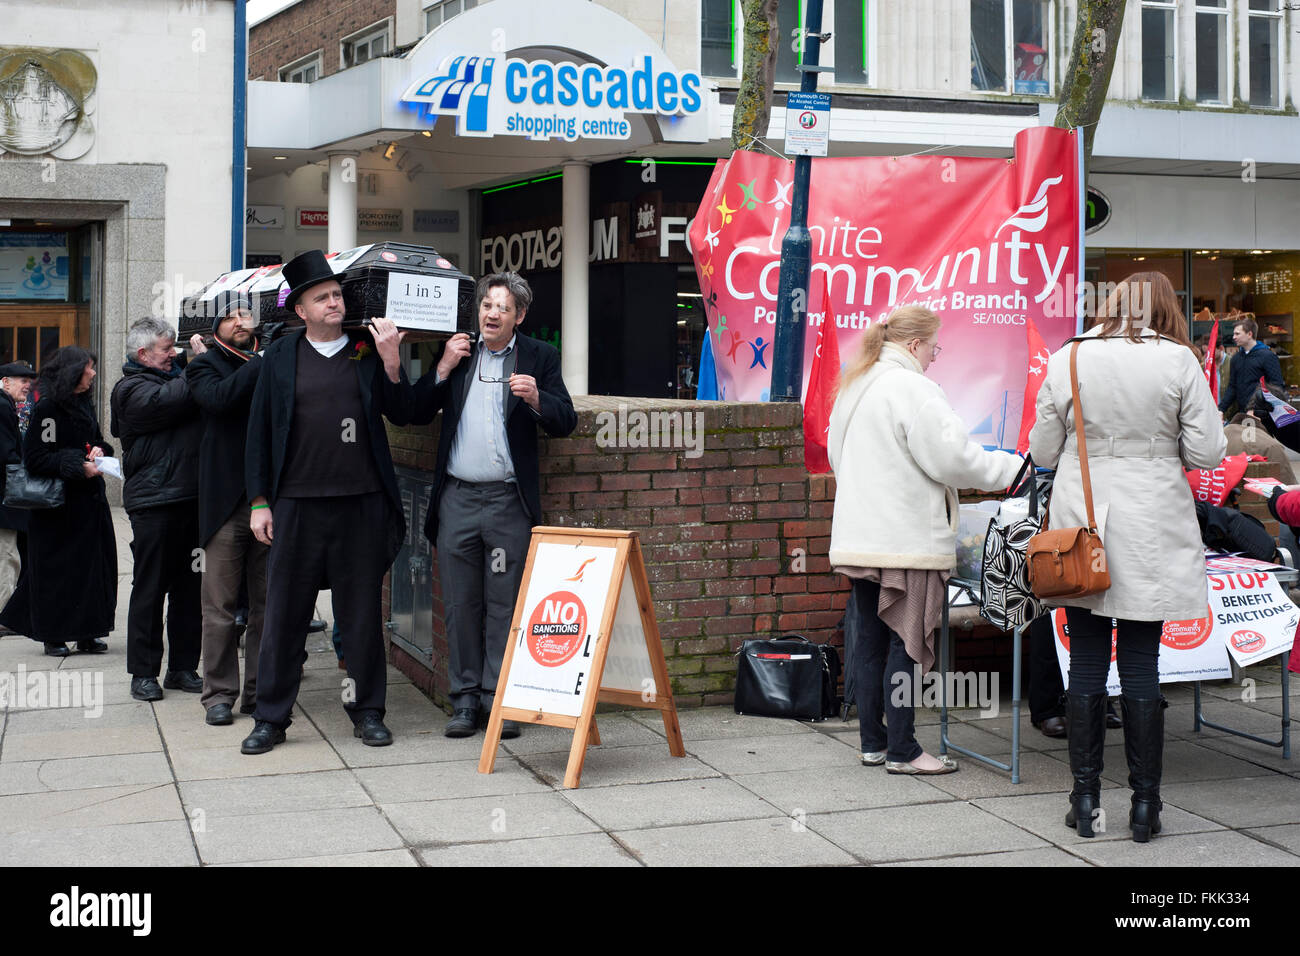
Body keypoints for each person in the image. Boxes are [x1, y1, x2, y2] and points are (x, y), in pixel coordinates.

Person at [1029, 272, 1226, 842]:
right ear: (1167, 309)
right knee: (1142, 664)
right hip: (1152, 517)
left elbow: (1043, 450)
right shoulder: (1179, 360)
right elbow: (1207, 450)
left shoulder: (1070, 357)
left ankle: (1085, 800)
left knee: (1088, 659)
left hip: (1082, 521)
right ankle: (1145, 807)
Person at [828, 305, 1021, 775]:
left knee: (871, 643)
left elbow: (837, 454)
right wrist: (1013, 468)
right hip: (906, 539)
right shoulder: (913, 389)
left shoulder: (854, 384)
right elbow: (953, 459)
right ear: (915, 344)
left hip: (860, 537)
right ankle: (904, 750)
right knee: (906, 642)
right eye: (935, 345)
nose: (937, 355)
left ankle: (874, 744)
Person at [241, 250, 414, 755]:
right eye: (323, 297)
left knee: (360, 615)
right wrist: (258, 501)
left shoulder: (366, 349)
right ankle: (271, 718)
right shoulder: (278, 357)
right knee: (284, 616)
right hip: (295, 505)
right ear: (301, 309)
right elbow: (257, 435)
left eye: (337, 294)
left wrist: (391, 363)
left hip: (360, 504)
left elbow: (405, 414)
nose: (334, 302)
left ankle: (368, 712)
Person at [412, 271, 576, 739]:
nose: (492, 314)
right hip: (458, 498)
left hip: (508, 501)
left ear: (518, 316)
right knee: (461, 604)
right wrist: (442, 367)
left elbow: (566, 421)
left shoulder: (539, 357)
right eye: (487, 305)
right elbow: (417, 410)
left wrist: (537, 397)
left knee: (505, 605)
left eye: (502, 308)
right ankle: (464, 702)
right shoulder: (458, 352)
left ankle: (498, 700)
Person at [110, 317, 204, 702]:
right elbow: (166, 404)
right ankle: (143, 673)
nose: (175, 354)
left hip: (192, 501)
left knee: (191, 589)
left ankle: (183, 668)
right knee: (150, 588)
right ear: (143, 353)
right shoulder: (130, 388)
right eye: (168, 349)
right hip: (154, 504)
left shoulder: (175, 379)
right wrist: (198, 365)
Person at [0, 348, 116, 656]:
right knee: (58, 574)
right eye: (89, 368)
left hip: (89, 506)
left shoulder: (84, 405)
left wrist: (99, 452)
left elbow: (97, 440)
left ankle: (89, 632)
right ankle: (54, 635)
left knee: (92, 571)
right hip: (58, 510)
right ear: (73, 371)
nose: (93, 373)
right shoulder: (49, 409)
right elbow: (38, 457)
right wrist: (79, 464)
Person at [186, 292, 267, 726]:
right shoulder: (204, 365)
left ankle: (259, 691)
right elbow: (217, 401)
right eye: (230, 316)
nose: (240, 321)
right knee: (218, 608)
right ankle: (218, 694)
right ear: (215, 326)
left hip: (269, 502)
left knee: (267, 606)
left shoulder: (269, 358)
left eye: (245, 314)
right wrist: (257, 365)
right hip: (224, 506)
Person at [0, 361, 38, 614]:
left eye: (29, 380)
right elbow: (6, 453)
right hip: (5, 495)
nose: (28, 385)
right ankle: (4, 613)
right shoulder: (3, 406)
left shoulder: (6, 405)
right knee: (7, 554)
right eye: (22, 380)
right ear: (5, 382)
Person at [1218, 314, 1282, 418]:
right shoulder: (1236, 358)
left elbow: (1277, 386)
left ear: (1249, 334)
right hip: (1243, 413)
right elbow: (1232, 387)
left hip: (1263, 415)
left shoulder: (1267, 356)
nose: (1234, 337)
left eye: (1237, 334)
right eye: (1234, 334)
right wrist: (1221, 409)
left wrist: (1256, 409)